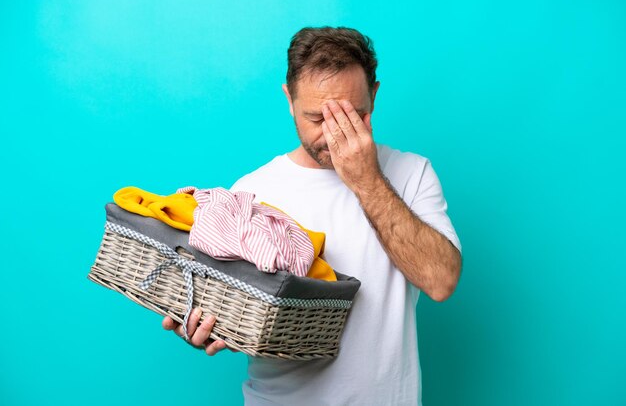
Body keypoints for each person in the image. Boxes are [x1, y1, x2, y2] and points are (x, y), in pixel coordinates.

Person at [162, 26, 462, 405]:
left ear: (375, 96)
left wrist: (366, 179)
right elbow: (236, 313)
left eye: (353, 116)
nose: (334, 135)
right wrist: (205, 321)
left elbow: (441, 281)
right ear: (289, 99)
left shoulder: (412, 172)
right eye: (318, 118)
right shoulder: (252, 191)